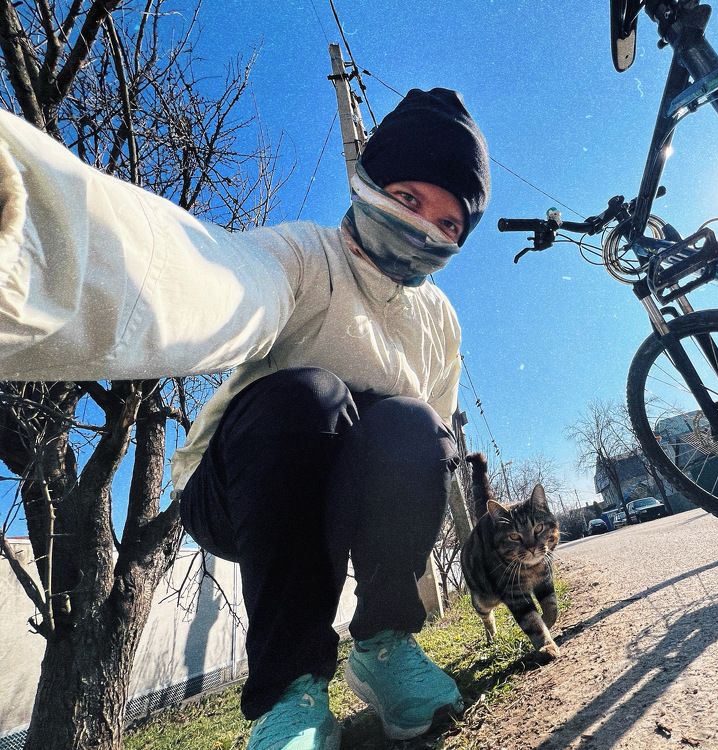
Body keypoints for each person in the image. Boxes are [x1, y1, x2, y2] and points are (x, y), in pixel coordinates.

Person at [0, 87, 490, 750]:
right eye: (408, 198)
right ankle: (292, 694)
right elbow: (219, 280)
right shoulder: (305, 256)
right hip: (238, 490)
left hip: (354, 500)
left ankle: (384, 647)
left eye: (449, 224)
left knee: (413, 423)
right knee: (311, 395)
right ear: (369, 185)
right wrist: (32, 234)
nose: (424, 229)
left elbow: (430, 450)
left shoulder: (439, 321)